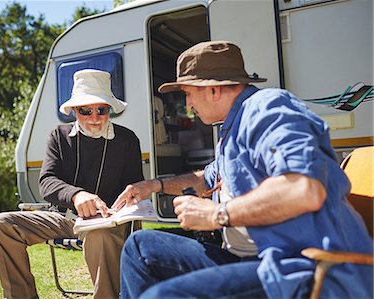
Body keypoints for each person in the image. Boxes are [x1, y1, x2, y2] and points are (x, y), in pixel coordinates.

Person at [113, 41, 373, 298]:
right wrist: (153, 185)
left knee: (161, 295)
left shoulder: (267, 108)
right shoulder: (232, 127)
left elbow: (303, 189)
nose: (188, 104)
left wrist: (218, 214)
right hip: (249, 258)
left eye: (188, 93)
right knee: (140, 246)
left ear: (213, 89)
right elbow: (206, 179)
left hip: (302, 267)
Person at [0, 69, 144, 299]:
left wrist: (114, 212)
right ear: (73, 111)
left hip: (108, 222)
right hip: (63, 219)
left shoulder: (127, 139)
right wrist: (76, 195)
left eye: (101, 109)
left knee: (100, 235)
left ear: (109, 109)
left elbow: (135, 188)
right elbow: (47, 182)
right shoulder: (58, 136)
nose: (94, 117)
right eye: (85, 110)